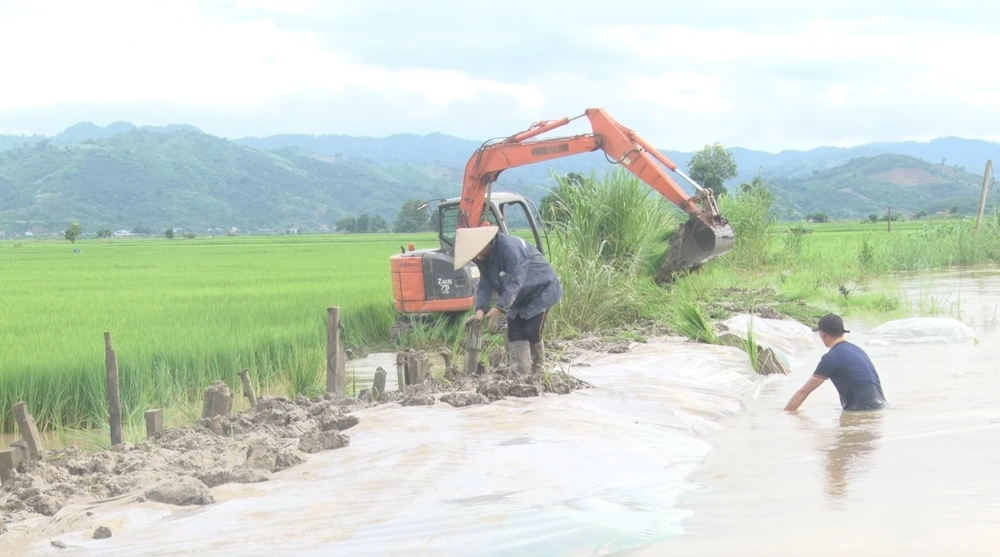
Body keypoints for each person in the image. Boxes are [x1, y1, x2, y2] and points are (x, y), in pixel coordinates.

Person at [452, 225, 562, 375]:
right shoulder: (483, 257)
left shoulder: (509, 249)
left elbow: (516, 280)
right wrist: (480, 310)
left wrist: (499, 308)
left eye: (476, 252)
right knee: (515, 332)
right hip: (517, 297)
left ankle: (539, 372)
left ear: (484, 244)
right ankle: (520, 373)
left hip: (541, 291)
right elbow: (485, 283)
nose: (475, 257)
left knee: (532, 332)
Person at [784, 313, 887, 412]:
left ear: (823, 335)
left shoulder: (831, 358)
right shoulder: (858, 350)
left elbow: (804, 392)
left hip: (861, 412)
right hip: (881, 408)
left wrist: (785, 414)